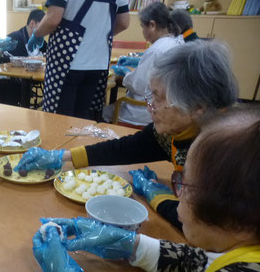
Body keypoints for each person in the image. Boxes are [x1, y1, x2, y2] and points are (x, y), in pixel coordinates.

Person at [32, 107, 260, 272]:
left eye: (185, 184)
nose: (178, 193)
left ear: (236, 214)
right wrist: (132, 244)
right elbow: (202, 262)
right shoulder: (246, 251)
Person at [16, 40, 238, 230]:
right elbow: (130, 147)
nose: (150, 106)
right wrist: (63, 156)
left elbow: (201, 226)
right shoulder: (180, 129)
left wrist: (158, 197)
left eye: (159, 98)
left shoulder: (226, 154)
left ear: (197, 106)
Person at [26, 0, 130, 119]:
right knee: (85, 123)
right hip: (99, 63)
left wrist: (37, 34)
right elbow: (123, 22)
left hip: (66, 64)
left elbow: (53, 18)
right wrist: (98, 35)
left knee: (57, 122)